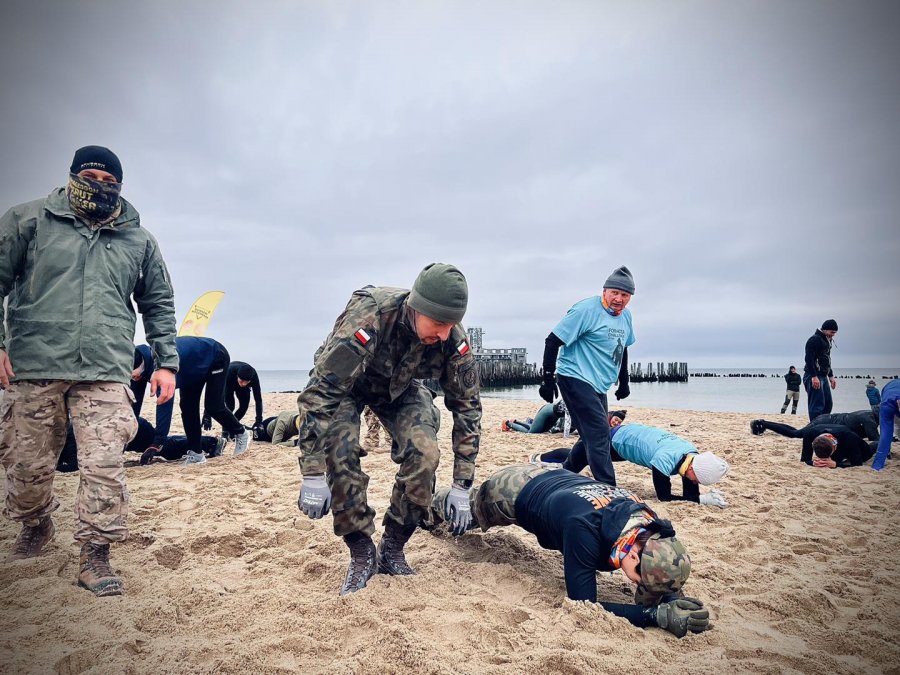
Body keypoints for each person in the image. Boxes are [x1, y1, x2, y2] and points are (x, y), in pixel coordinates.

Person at [0, 146, 178, 596]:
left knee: (104, 465)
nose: (99, 185)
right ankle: (35, 525)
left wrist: (166, 363)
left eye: (109, 179)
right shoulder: (29, 220)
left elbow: (157, 303)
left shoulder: (139, 240)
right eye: (90, 175)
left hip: (105, 367)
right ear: (73, 175)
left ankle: (95, 554)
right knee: (27, 466)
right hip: (33, 363)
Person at [295, 263, 482, 596]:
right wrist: (311, 472)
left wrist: (462, 484)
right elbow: (321, 393)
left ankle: (393, 548)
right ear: (416, 307)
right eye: (438, 323)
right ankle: (362, 551)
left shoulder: (452, 337)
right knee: (340, 446)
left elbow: (467, 407)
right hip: (346, 385)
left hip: (399, 389)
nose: (443, 333)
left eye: (451, 324)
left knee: (425, 453)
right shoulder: (370, 317)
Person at [429, 464, 710, 638]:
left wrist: (672, 597)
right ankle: (424, 501)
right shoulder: (583, 530)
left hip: (560, 477)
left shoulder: (647, 521)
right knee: (464, 514)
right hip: (515, 488)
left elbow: (662, 560)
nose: (635, 583)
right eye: (639, 578)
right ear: (634, 555)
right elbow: (583, 606)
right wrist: (654, 617)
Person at [538, 266, 635, 486]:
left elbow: (623, 347)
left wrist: (624, 380)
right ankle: (609, 488)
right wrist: (548, 378)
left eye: (625, 295)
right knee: (600, 435)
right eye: (615, 293)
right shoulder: (586, 310)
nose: (619, 299)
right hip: (574, 377)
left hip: (599, 384)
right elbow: (552, 341)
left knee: (591, 436)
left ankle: (563, 474)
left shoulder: (625, 317)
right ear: (605, 291)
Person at [533, 421, 729, 507]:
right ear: (694, 469)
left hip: (626, 439)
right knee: (570, 467)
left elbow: (689, 494)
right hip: (611, 440)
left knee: (581, 457)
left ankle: (547, 458)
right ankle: (539, 458)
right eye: (699, 480)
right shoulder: (665, 460)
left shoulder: (691, 455)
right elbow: (664, 497)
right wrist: (703, 500)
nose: (696, 483)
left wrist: (703, 498)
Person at [132, 338, 250, 465]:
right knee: (188, 408)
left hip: (215, 356)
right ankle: (196, 453)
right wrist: (127, 429)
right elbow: (134, 402)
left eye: (133, 375)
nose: (133, 377)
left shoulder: (162, 365)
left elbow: (164, 402)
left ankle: (241, 432)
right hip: (190, 368)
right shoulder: (135, 364)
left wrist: (157, 442)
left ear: (141, 365)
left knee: (213, 406)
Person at [57, 417, 225, 471]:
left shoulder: (72, 436)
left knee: (165, 448)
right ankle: (208, 442)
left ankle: (211, 443)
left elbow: (74, 465)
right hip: (127, 428)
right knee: (165, 446)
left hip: (135, 429)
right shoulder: (69, 434)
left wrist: (55, 467)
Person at [750, 409, 879, 442]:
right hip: (825, 422)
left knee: (797, 431)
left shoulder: (868, 414)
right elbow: (874, 439)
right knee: (796, 434)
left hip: (826, 418)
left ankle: (764, 423)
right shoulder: (870, 419)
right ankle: (763, 423)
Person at [792, 425, 876, 468]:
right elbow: (804, 460)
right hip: (836, 441)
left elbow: (857, 465)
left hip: (858, 448)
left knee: (871, 449)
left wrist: (836, 464)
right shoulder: (809, 433)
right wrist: (813, 463)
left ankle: (879, 444)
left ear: (835, 448)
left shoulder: (850, 437)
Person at [803, 319, 838, 420]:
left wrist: (831, 376)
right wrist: (814, 376)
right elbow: (808, 359)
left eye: (835, 333)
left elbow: (827, 360)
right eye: (832, 332)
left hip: (823, 376)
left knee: (828, 404)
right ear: (825, 330)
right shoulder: (814, 339)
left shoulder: (827, 340)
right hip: (812, 375)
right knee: (817, 405)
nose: (833, 335)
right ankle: (815, 427)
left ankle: (823, 424)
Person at [220, 361, 264, 432]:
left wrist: (259, 421)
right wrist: (207, 414)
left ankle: (232, 426)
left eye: (246, 382)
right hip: (230, 382)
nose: (243, 384)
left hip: (243, 389)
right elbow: (216, 391)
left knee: (244, 407)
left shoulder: (253, 376)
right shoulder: (229, 372)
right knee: (230, 406)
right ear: (237, 376)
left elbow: (258, 399)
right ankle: (225, 431)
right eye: (241, 381)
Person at [871, 380, 900, 471]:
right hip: (889, 403)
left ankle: (877, 466)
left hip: (888, 401)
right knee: (887, 433)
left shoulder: (890, 385)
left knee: (886, 434)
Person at [502, 400, 568, 434]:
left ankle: (515, 422)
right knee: (532, 432)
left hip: (554, 414)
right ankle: (507, 423)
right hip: (546, 412)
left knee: (541, 430)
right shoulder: (573, 400)